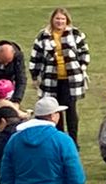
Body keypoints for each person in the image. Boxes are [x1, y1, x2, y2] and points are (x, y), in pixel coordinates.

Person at [27, 9, 91, 144]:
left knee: (71, 110)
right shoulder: (43, 35)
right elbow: (36, 56)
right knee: (54, 110)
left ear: (67, 20)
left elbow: (84, 52)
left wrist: (82, 68)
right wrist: (34, 75)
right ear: (52, 20)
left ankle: (73, 141)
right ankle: (59, 138)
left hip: (71, 79)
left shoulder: (75, 34)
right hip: (50, 79)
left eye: (62, 19)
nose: (60, 22)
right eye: (57, 19)